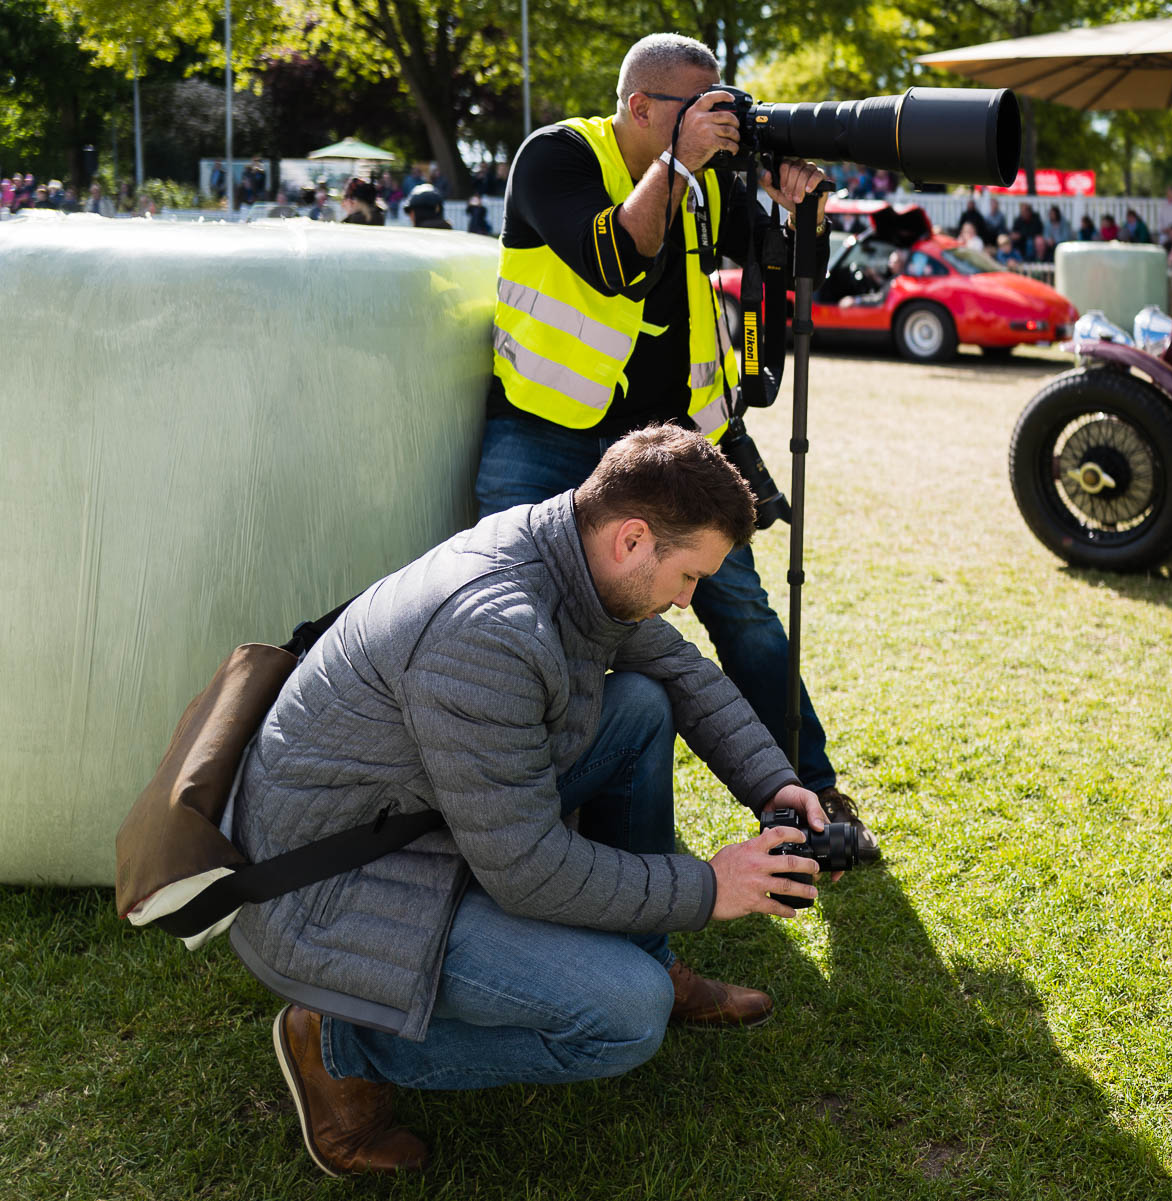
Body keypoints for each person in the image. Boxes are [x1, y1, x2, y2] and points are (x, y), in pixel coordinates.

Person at [238, 425, 841, 1176]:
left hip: (416, 815)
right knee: (627, 1014)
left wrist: (774, 783)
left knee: (645, 703)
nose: (689, 601)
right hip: (335, 885)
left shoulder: (567, 547)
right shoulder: (490, 631)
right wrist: (708, 886)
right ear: (632, 539)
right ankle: (336, 1042)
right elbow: (526, 869)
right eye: (688, 577)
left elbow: (682, 673)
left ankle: (649, 952)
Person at [470, 33, 872, 847]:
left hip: (675, 445)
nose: (719, 126)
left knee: (746, 613)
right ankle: (519, 799)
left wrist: (801, 217)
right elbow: (617, 258)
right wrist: (682, 165)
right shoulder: (556, 157)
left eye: (722, 110)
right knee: (513, 608)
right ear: (640, 107)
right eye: (700, 111)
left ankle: (812, 794)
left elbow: (786, 265)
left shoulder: (705, 179)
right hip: (547, 430)